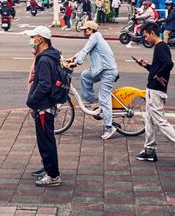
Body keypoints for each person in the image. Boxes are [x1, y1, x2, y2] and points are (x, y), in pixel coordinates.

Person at [134, 22, 175, 166]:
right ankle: (149, 150)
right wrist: (147, 66)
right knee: (150, 121)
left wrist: (157, 74)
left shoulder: (161, 47)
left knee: (160, 121)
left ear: (152, 33)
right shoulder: (160, 47)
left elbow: (169, 64)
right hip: (153, 90)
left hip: (156, 91)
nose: (145, 39)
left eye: (146, 36)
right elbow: (159, 67)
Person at [25, 26, 63, 186]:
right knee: (47, 139)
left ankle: (53, 175)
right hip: (45, 105)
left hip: (43, 107)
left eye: (33, 37)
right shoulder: (50, 56)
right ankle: (49, 168)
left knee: (46, 141)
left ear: (40, 39)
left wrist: (31, 101)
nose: (31, 40)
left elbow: (44, 85)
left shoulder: (45, 59)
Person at [70, 19, 120, 140]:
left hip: (107, 72)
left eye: (85, 30)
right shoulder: (94, 38)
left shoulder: (95, 37)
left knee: (104, 98)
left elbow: (85, 50)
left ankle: (109, 127)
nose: (83, 32)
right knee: (85, 76)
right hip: (100, 70)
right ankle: (90, 100)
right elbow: (83, 50)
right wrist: (72, 58)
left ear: (91, 30)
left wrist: (77, 62)